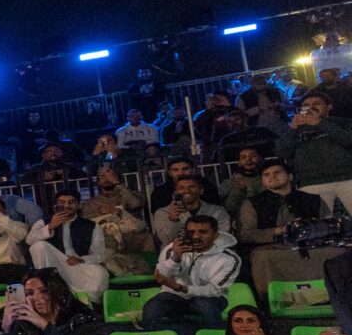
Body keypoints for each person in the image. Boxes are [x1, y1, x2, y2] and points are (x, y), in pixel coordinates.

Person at [238, 157, 334, 289]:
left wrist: (308, 227)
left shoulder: (312, 200)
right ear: (263, 182)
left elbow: (328, 225)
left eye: (277, 172)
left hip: (311, 244)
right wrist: (279, 230)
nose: (272, 176)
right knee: (264, 257)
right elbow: (246, 235)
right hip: (272, 248)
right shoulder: (251, 204)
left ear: (290, 176)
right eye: (266, 175)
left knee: (336, 252)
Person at [142, 214, 240, 335]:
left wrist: (181, 288)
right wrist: (175, 258)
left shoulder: (229, 258)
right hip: (173, 295)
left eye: (203, 232)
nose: (196, 236)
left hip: (209, 298)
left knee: (205, 307)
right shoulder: (172, 249)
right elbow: (161, 276)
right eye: (191, 232)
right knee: (152, 308)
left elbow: (214, 290)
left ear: (215, 235)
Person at [276, 91, 352, 216]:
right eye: (306, 105)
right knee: (319, 223)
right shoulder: (296, 129)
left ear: (329, 107)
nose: (311, 108)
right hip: (311, 183)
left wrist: (320, 123)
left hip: (347, 178)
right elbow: (282, 152)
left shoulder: (341, 122)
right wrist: (293, 129)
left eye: (316, 104)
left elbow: (348, 140)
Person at [26, 191, 110, 300]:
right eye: (62, 202)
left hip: (79, 266)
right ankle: (47, 288)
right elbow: (29, 240)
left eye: (71, 202)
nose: (66, 206)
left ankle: (86, 303)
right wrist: (50, 226)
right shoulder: (44, 222)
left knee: (100, 273)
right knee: (38, 246)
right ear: (56, 205)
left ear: (78, 205)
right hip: (55, 265)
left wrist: (81, 259)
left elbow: (99, 254)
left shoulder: (91, 225)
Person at [150, 175, 231, 249]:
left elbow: (223, 236)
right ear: (175, 192)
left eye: (191, 187)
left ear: (201, 191)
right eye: (181, 188)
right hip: (176, 254)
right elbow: (166, 240)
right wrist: (172, 220)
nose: (187, 191)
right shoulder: (162, 213)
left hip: (211, 254)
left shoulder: (218, 211)